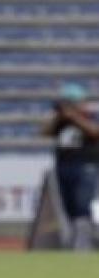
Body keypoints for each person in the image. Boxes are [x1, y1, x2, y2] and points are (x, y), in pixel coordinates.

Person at [41, 82, 99, 249]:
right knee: (68, 205)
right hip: (63, 166)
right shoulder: (60, 120)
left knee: (82, 204)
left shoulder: (91, 115)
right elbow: (44, 132)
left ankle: (84, 243)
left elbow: (95, 133)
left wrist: (75, 118)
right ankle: (73, 241)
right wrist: (60, 117)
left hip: (86, 165)